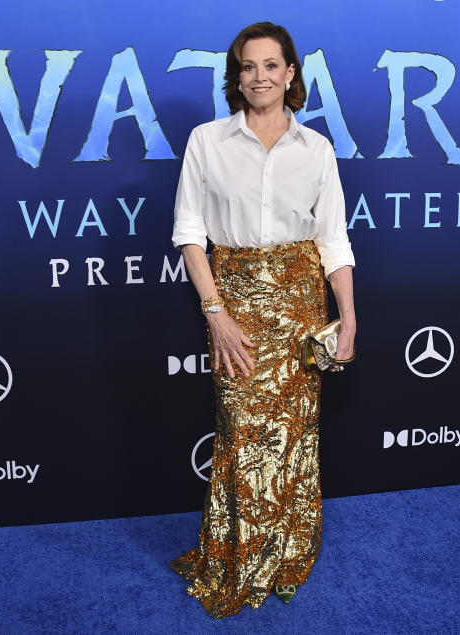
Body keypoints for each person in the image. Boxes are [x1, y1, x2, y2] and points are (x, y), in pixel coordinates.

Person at [169, 21, 357, 619]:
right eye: (248, 67)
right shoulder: (207, 141)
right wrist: (216, 314)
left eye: (271, 66)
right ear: (236, 76)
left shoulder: (318, 149)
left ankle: (288, 557)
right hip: (236, 310)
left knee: (296, 436)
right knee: (244, 436)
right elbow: (190, 236)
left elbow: (334, 242)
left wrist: (348, 316)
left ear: (291, 74)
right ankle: (240, 559)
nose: (260, 77)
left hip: (304, 310)